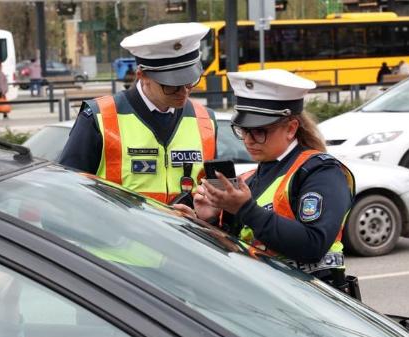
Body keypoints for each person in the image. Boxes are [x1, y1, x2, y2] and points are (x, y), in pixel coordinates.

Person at [192, 69, 357, 293]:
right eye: (244, 130)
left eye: (259, 131)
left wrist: (245, 209)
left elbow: (313, 245)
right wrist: (208, 220)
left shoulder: (321, 171)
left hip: (314, 302)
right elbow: (237, 248)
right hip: (269, 299)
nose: (249, 140)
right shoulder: (250, 178)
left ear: (291, 129)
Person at [57, 22, 217, 205]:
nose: (184, 92)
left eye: (190, 82)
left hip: (185, 234)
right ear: (142, 75)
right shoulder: (98, 117)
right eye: (172, 86)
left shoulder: (206, 120)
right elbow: (68, 193)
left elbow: (213, 199)